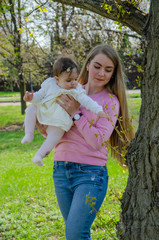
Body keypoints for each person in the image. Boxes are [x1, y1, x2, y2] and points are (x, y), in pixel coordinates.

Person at [37, 44, 134, 240]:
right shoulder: (69, 89)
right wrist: (43, 130)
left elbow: (97, 141)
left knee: (75, 234)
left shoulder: (110, 101)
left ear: (113, 73)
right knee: (74, 233)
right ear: (88, 65)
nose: (101, 73)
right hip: (61, 171)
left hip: (90, 175)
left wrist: (76, 113)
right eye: (97, 66)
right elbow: (59, 131)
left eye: (108, 70)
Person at [21, 57, 106, 166]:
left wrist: (98, 110)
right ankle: (29, 134)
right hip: (44, 111)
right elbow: (39, 95)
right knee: (31, 109)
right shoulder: (49, 84)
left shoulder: (76, 90)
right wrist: (31, 98)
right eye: (69, 80)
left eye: (75, 79)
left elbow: (87, 101)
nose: (73, 83)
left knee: (55, 136)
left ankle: (39, 155)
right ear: (57, 79)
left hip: (59, 121)